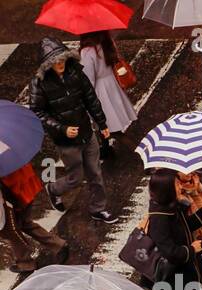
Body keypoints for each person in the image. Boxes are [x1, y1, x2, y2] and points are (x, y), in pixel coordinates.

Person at [29, 38, 118, 225]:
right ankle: (53, 189)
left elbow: (90, 99)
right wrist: (62, 129)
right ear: (47, 65)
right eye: (54, 61)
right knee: (75, 178)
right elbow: (37, 111)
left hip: (87, 132)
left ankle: (98, 209)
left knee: (96, 173)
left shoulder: (76, 73)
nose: (59, 63)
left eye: (62, 59)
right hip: (66, 141)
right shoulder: (39, 84)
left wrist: (102, 124)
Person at [1, 161, 68, 274]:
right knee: (24, 224)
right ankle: (58, 245)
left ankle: (26, 263)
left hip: (16, 195)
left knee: (11, 231)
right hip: (25, 188)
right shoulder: (9, 150)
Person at [78, 31, 136, 161]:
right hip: (111, 86)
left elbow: (89, 80)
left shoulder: (87, 52)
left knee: (112, 130)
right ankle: (106, 150)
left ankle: (142, 155)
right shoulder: (106, 43)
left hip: (100, 92)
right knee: (103, 126)